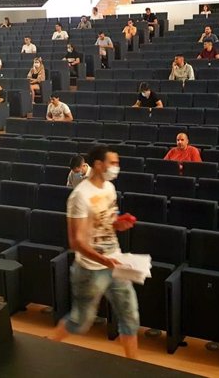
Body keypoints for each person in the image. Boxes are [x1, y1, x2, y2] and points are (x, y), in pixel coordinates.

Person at [50, 145, 139, 359]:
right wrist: (105, 261)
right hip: (90, 269)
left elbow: (108, 222)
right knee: (79, 322)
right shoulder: (79, 196)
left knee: (130, 318)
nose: (116, 167)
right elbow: (76, 242)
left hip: (115, 261)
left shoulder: (109, 188)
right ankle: (46, 349)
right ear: (99, 165)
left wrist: (119, 223)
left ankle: (133, 367)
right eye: (113, 163)